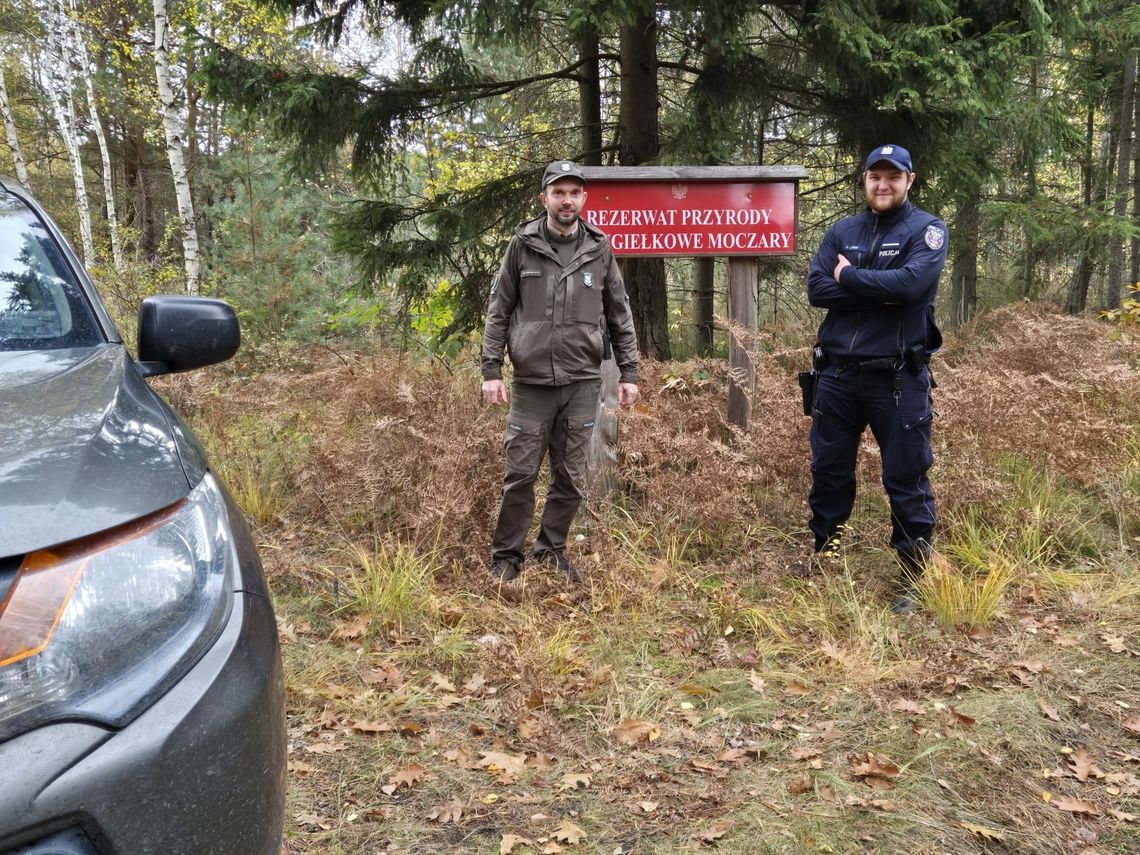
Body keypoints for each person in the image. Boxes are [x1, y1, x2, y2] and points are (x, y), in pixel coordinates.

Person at [481, 159, 640, 587]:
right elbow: (499, 311)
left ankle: (551, 551)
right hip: (531, 384)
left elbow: (619, 314)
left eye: (573, 193)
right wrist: (491, 369)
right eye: (558, 192)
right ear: (545, 198)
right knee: (521, 475)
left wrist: (629, 372)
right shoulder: (523, 245)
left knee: (569, 475)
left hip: (583, 382)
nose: (566, 200)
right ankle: (506, 558)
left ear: (583, 199)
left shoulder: (599, 248)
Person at [805, 144, 948, 612]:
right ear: (864, 180)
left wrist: (850, 278)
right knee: (828, 471)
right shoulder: (842, 230)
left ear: (910, 180)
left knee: (905, 476)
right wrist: (875, 287)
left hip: (897, 380)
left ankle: (913, 573)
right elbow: (817, 289)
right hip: (838, 377)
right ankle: (825, 553)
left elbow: (910, 286)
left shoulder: (926, 230)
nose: (882, 184)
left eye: (893, 176)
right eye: (875, 176)